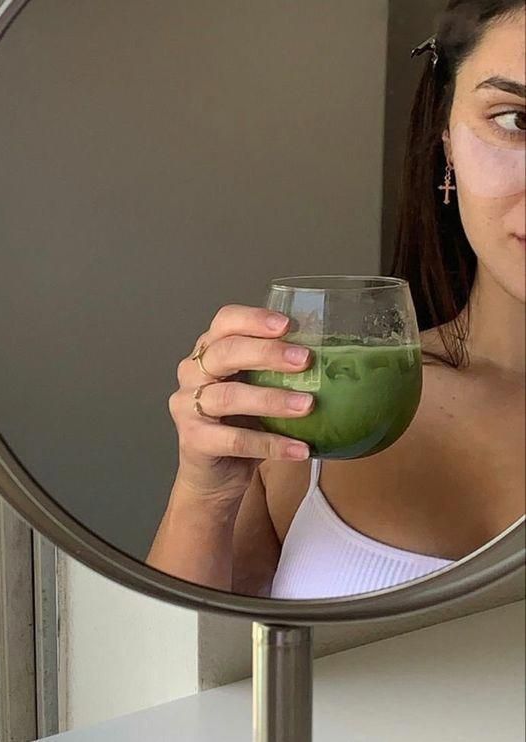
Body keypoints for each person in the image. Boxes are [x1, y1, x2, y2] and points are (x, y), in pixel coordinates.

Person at [148, 0, 525, 598]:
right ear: (447, 143)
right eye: (516, 121)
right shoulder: (306, 408)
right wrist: (206, 492)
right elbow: (189, 673)